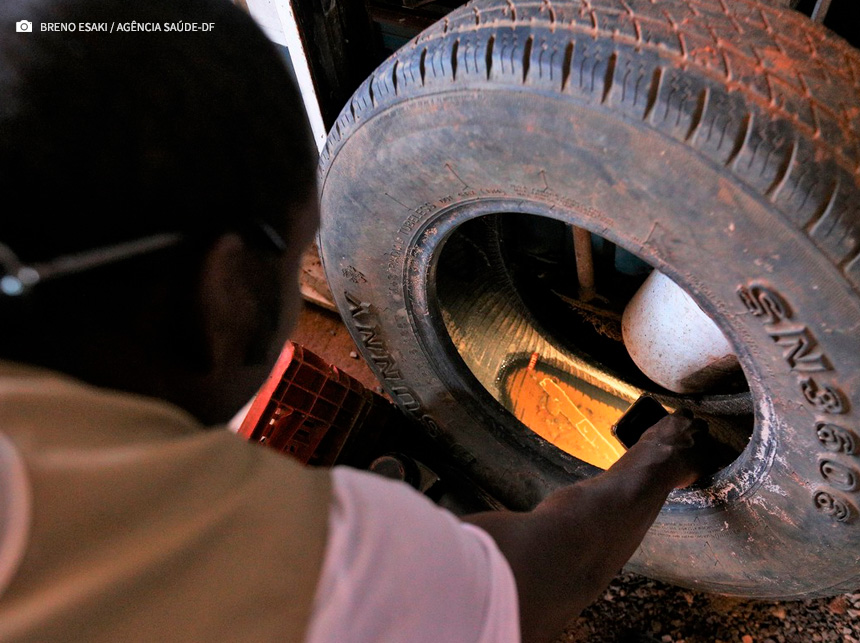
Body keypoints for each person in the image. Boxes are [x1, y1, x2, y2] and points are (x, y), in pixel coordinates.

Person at [0, 0, 709, 641]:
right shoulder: (238, 557)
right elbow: (542, 579)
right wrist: (656, 460)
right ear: (225, 285)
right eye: (300, 247)